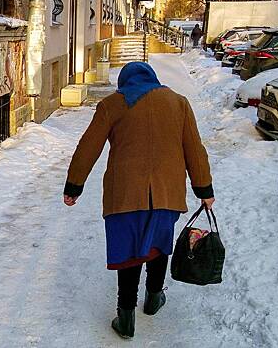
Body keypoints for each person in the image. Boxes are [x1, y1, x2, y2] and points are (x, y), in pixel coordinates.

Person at [63, 62, 215, 339]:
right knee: (159, 245)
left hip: (125, 195)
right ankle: (154, 298)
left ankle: (126, 316)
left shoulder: (113, 104)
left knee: (129, 253)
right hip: (167, 193)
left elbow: (88, 147)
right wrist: (204, 190)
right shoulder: (178, 103)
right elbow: (195, 149)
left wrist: (74, 185)